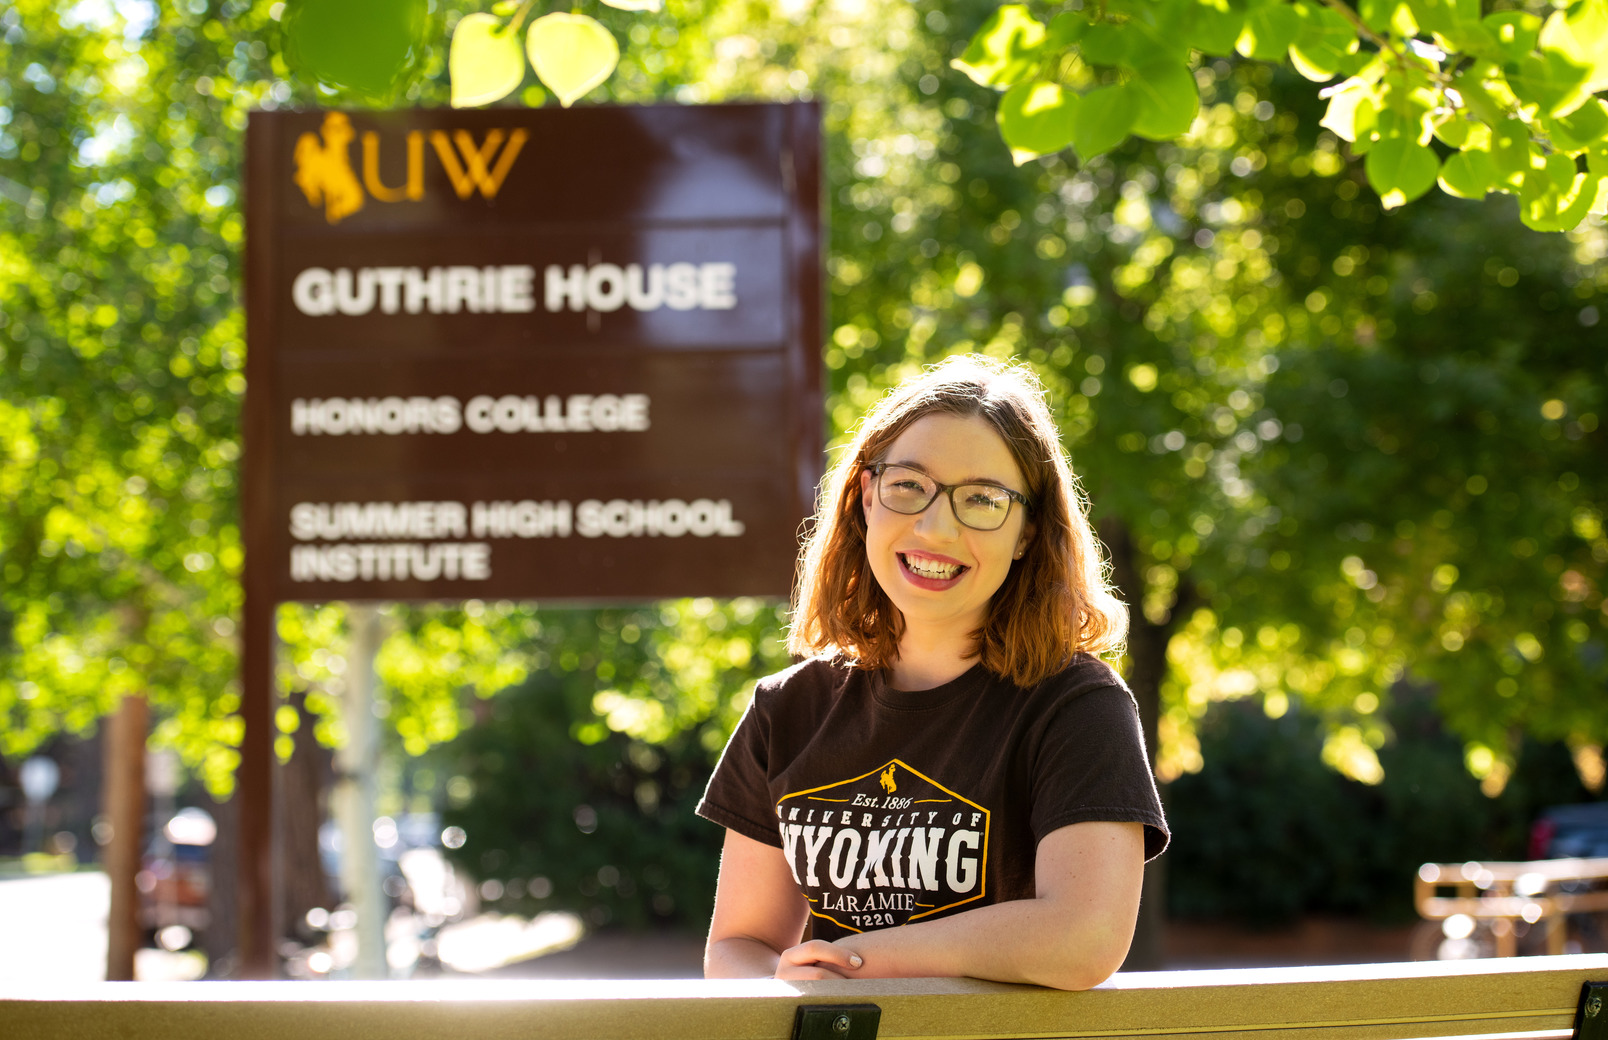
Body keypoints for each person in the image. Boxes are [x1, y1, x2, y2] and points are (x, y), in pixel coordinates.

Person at [697, 354, 1168, 989]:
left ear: (1028, 531)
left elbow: (1084, 937)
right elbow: (738, 945)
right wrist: (791, 995)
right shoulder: (787, 710)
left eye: (982, 499)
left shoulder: (1078, 707)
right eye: (909, 486)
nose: (935, 526)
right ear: (867, 497)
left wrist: (853, 963)